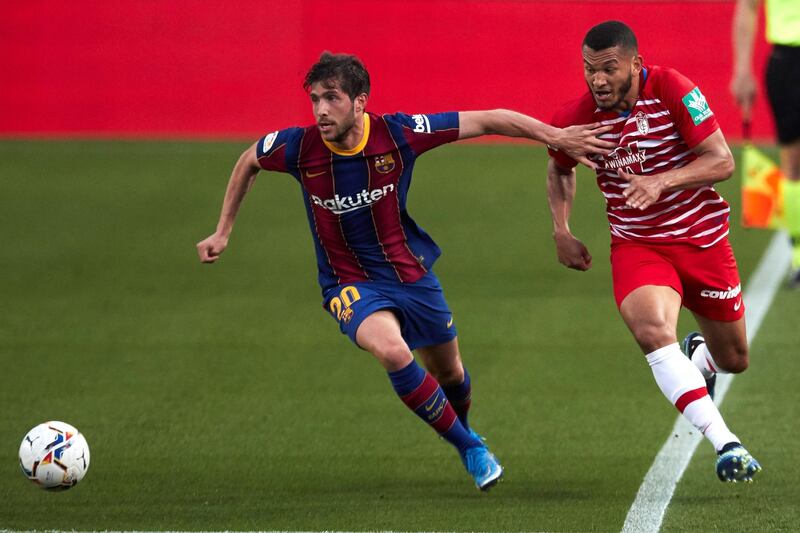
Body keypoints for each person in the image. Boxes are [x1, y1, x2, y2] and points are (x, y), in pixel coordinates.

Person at [197, 52, 613, 491]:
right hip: (347, 283)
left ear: (360, 102)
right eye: (315, 99)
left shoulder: (398, 134)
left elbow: (490, 119)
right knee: (394, 352)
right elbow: (249, 160)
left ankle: (464, 429)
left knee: (450, 372)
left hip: (408, 273)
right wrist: (223, 230)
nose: (320, 110)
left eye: (332, 98)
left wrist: (556, 136)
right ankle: (470, 447)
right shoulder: (297, 147)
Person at [546, 21, 762, 482]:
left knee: (734, 360)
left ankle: (702, 355)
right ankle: (727, 443)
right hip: (638, 244)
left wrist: (661, 181)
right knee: (652, 330)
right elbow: (559, 167)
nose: (597, 80)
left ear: (635, 64)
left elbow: (722, 160)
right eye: (589, 69)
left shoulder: (672, 89)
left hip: (702, 241)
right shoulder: (579, 118)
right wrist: (561, 229)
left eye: (608, 68)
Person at [731, 0, 800, 285]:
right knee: (793, 166)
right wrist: (742, 70)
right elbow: (747, 7)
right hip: (789, 61)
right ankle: (799, 258)